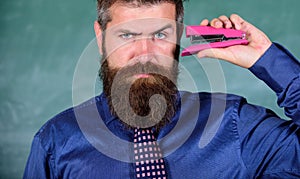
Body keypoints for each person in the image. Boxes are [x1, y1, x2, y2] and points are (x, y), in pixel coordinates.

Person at [24, 0, 300, 178]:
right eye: (127, 35)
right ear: (101, 37)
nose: (144, 53)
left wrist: (266, 58)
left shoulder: (236, 126)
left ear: (179, 37)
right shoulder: (56, 143)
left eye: (160, 34)